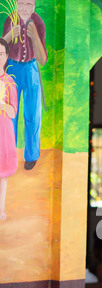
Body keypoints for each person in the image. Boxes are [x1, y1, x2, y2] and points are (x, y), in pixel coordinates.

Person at [3, 0, 48, 170]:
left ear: (34, 5)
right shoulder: (10, 20)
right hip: (13, 68)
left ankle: (31, 156)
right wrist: (8, 36)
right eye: (21, 4)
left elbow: (43, 60)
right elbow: (1, 49)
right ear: (16, 3)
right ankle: (8, 154)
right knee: (10, 113)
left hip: (31, 68)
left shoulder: (38, 22)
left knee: (32, 114)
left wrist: (34, 36)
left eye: (29, 4)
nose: (24, 8)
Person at [0, 38, 18, 221]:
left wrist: (3, 105)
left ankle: (1, 209)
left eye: (1, 54)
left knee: (2, 173)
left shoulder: (9, 83)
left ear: (6, 57)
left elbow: (13, 112)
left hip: (3, 129)